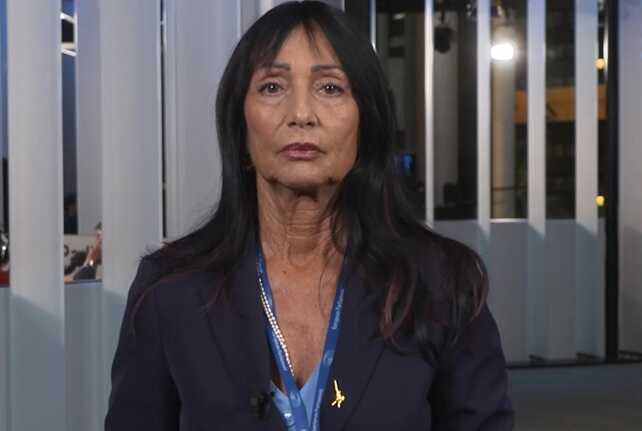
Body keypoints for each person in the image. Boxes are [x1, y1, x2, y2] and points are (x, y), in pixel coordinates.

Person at [105, 2, 514, 430]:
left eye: (330, 88)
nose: (301, 115)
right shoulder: (169, 291)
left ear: (367, 123)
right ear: (240, 128)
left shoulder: (441, 283)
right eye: (272, 87)